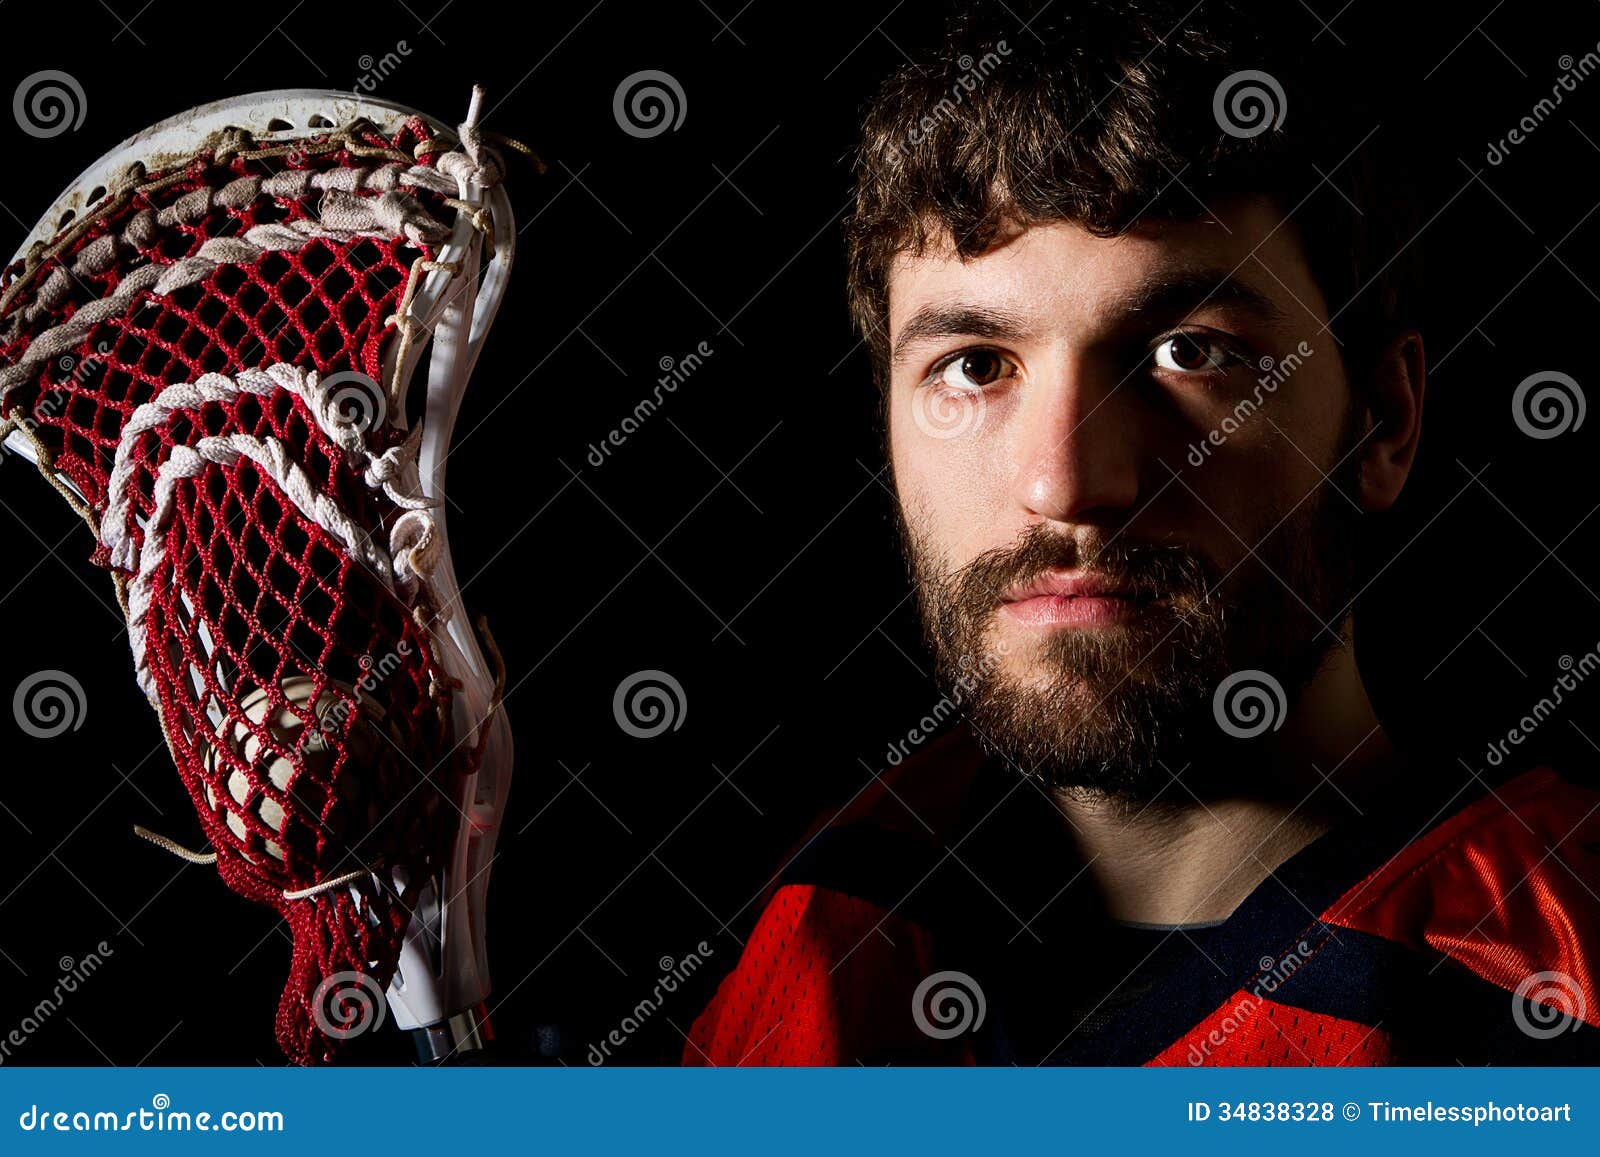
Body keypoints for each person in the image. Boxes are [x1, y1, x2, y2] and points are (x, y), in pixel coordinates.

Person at [682, 0, 1600, 1065]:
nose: (1064, 483)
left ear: (1382, 421)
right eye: (974, 365)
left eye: (1189, 352)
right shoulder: (791, 935)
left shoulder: (1544, 995)